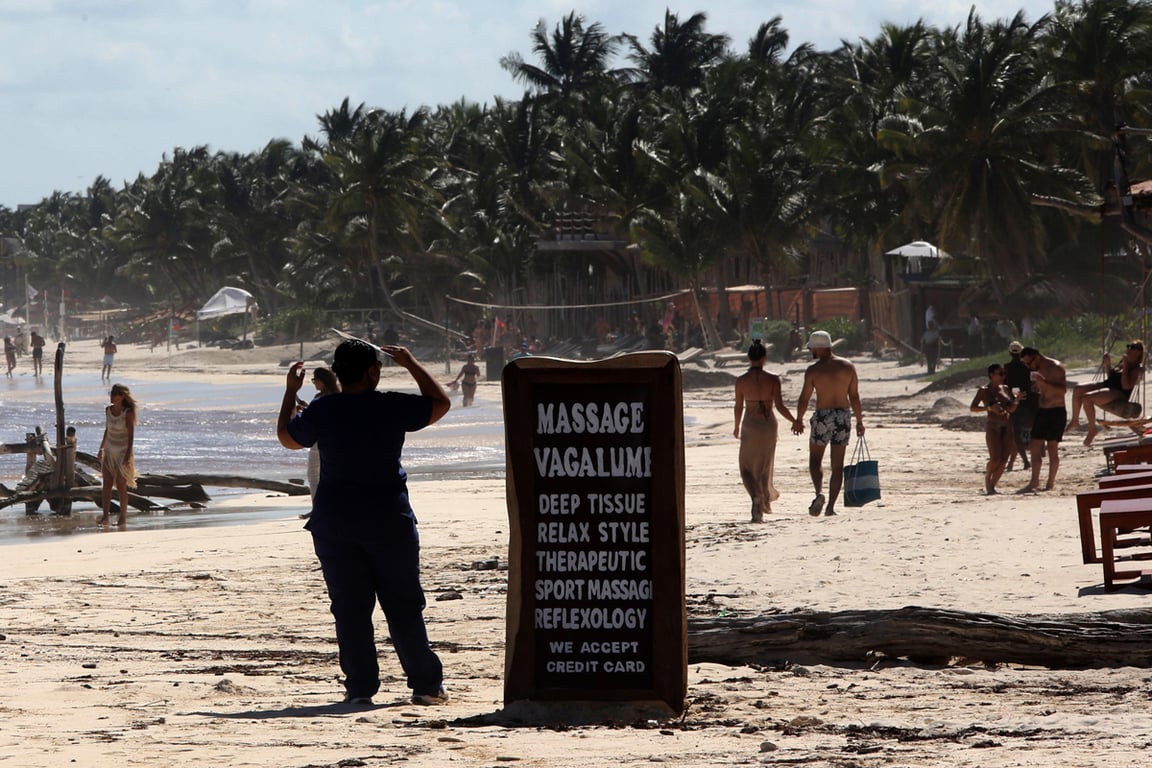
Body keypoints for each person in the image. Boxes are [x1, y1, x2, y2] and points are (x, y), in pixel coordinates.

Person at [276, 340, 451, 707]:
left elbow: (287, 438)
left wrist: (290, 393)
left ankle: (360, 688)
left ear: (337, 372)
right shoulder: (389, 404)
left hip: (335, 522)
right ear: (372, 371)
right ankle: (425, 685)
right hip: (388, 519)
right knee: (403, 605)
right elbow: (440, 403)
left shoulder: (325, 409)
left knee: (350, 609)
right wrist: (411, 361)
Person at [792, 330, 865, 517]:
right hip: (842, 416)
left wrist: (798, 420)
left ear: (819, 348)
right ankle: (831, 507)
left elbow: (804, 399)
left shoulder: (814, 371)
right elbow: (854, 397)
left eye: (812, 348)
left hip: (823, 417)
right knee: (837, 465)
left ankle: (819, 493)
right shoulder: (848, 367)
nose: (810, 350)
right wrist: (859, 421)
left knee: (815, 461)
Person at [734, 340, 800, 522]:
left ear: (748, 357)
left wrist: (736, 425)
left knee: (746, 467)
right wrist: (794, 421)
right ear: (764, 358)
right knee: (764, 465)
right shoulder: (773, 379)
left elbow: (738, 407)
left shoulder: (741, 381)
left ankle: (756, 497)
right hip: (769, 425)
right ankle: (763, 501)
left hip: (750, 425)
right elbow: (779, 406)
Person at [1070, 340, 1144, 446]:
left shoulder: (1136, 368)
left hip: (1119, 392)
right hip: (1108, 385)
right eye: (1128, 346)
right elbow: (1111, 377)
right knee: (1078, 389)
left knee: (1087, 398)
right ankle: (1075, 420)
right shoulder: (1122, 362)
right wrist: (1108, 364)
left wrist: (1126, 366)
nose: (1128, 349)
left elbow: (1126, 386)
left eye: (1132, 347)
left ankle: (1092, 430)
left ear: (1138, 352)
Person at [1020, 346, 1067, 492]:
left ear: (1037, 357)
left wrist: (1044, 382)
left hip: (1056, 410)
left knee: (1052, 448)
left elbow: (1062, 391)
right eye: (1026, 364)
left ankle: (1050, 483)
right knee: (1034, 445)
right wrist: (1037, 387)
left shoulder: (1055, 367)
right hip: (1043, 410)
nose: (1028, 366)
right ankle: (1034, 481)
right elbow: (1042, 390)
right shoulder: (1036, 370)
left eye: (1029, 363)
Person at [970, 364, 1019, 494]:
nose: (1003, 376)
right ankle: (987, 478)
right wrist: (989, 408)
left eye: (1004, 373)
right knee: (995, 458)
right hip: (993, 426)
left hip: (1007, 425)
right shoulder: (984, 390)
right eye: (1000, 373)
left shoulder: (1006, 389)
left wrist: (1017, 400)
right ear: (992, 374)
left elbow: (1011, 409)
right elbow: (973, 408)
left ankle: (992, 485)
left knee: (1004, 459)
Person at [97, 383, 138, 526]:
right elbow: (107, 430)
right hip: (109, 451)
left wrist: (128, 455)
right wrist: (101, 449)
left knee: (121, 485)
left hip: (122, 452)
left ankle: (122, 518)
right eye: (111, 393)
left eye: (115, 394)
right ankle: (105, 517)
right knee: (107, 484)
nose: (112, 396)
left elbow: (131, 435)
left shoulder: (128, 413)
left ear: (122, 396)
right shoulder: (108, 410)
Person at [304, 367, 340, 499]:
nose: (314, 383)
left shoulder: (320, 398)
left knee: (313, 476)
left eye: (314, 380)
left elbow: (316, 418)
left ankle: (317, 508)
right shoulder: (338, 395)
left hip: (319, 440)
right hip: (336, 440)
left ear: (322, 381)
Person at [1003, 341, 1034, 471]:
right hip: (1029, 400)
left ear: (1010, 353)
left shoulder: (1007, 367)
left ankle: (1025, 461)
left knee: (1016, 433)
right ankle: (1029, 458)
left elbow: (1004, 385)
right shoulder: (1027, 367)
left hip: (1014, 401)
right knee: (1030, 429)